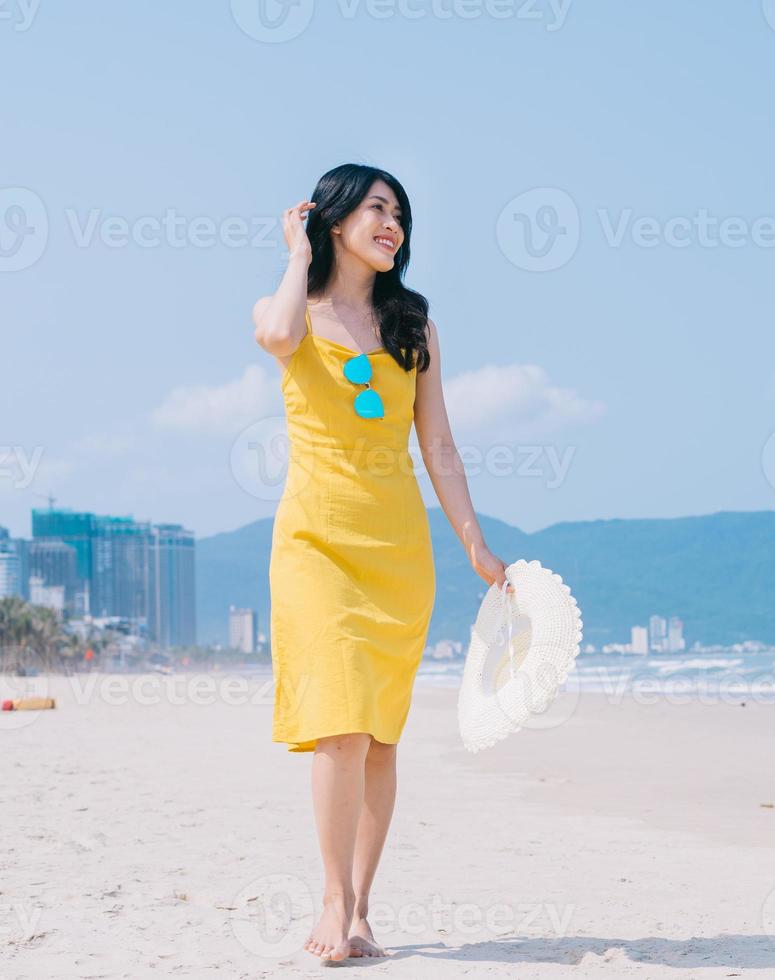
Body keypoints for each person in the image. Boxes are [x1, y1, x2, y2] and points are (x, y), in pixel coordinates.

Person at [252, 163, 510, 961]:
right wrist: (296, 255)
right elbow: (277, 338)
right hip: (315, 546)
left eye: (399, 211)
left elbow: (437, 441)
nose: (392, 222)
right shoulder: (289, 307)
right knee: (337, 728)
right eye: (374, 208)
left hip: (397, 551)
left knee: (378, 741)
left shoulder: (414, 325)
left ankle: (362, 908)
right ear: (333, 222)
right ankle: (330, 899)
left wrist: (473, 542)